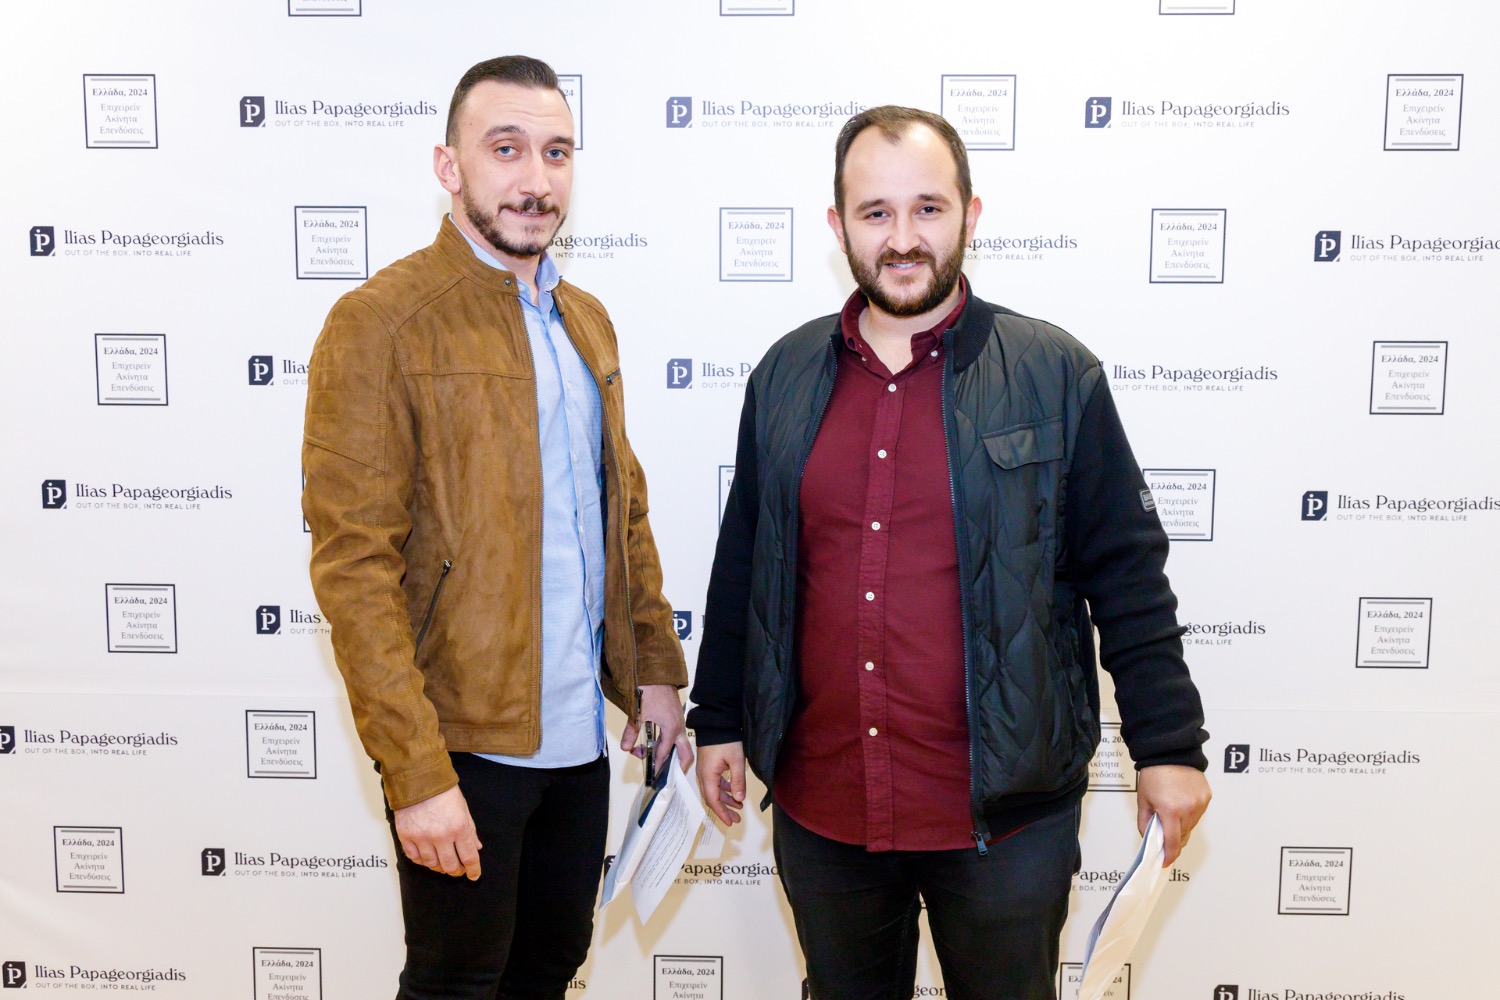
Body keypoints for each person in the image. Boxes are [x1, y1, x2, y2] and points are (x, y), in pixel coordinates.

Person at [688, 106, 1211, 1000]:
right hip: (827, 809)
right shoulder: (783, 376)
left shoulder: (1055, 373)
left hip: (1006, 823)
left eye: (927, 209)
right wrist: (720, 719)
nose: (903, 238)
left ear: (970, 214)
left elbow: (1127, 573)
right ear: (838, 226)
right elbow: (748, 564)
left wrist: (1168, 744)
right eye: (876, 212)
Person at [302, 55, 690, 1000]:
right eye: (506, 149)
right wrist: (415, 771)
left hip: (579, 742)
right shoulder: (381, 322)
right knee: (456, 984)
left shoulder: (585, 319)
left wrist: (655, 670)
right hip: (463, 745)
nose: (536, 179)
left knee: (549, 972)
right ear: (449, 166)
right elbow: (354, 568)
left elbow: (623, 510)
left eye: (557, 152)